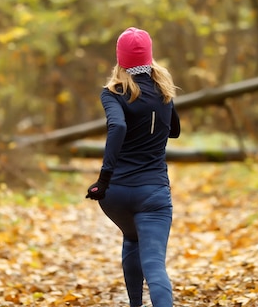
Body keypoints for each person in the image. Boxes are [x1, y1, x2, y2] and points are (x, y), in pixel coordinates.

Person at [86, 27, 181, 307]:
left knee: (131, 239)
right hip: (152, 194)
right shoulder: (164, 90)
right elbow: (174, 130)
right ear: (149, 57)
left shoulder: (113, 93)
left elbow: (118, 125)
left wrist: (103, 180)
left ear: (121, 60)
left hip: (116, 194)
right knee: (154, 265)